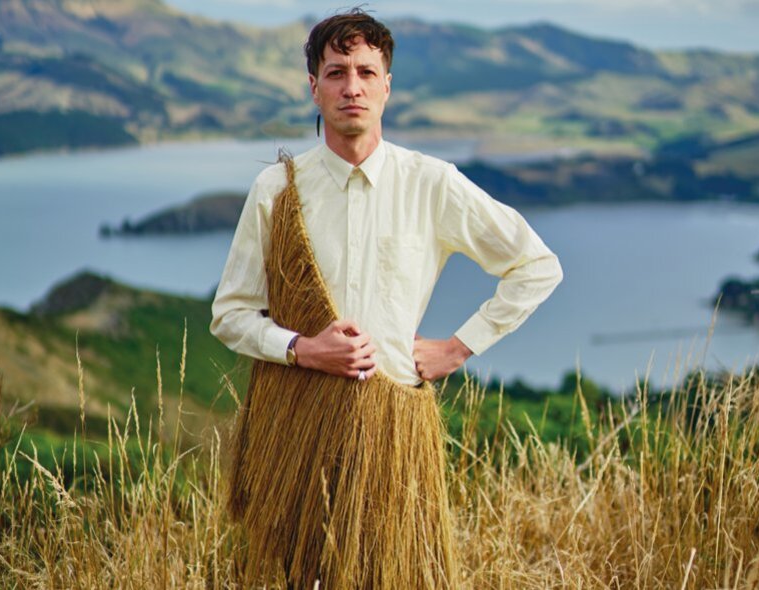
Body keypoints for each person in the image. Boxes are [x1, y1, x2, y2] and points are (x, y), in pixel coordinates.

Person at [210, 9, 562, 589]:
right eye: (337, 72)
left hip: (394, 429)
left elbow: (536, 265)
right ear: (314, 86)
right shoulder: (276, 189)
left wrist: (458, 347)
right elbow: (231, 314)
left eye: (367, 72)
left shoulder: (431, 182)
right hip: (293, 424)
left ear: (387, 85)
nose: (353, 87)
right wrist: (302, 348)